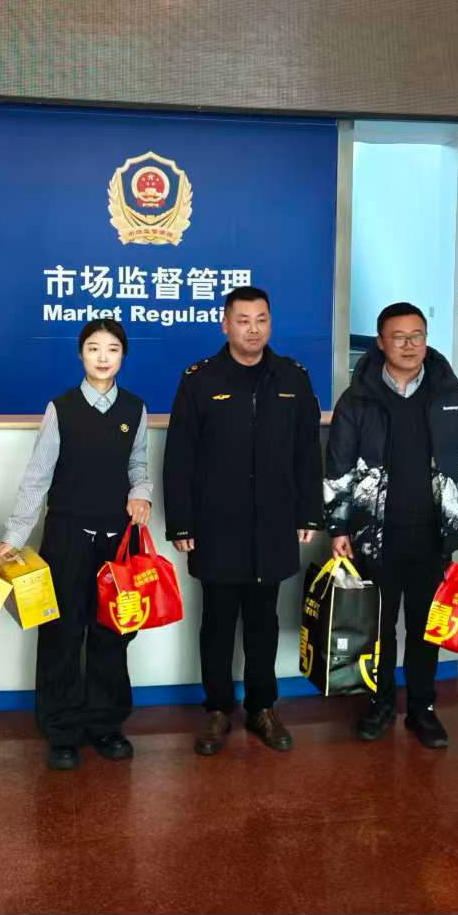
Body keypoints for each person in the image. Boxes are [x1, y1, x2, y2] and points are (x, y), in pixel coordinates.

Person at [324, 302, 458, 749]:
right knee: (379, 628)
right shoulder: (358, 399)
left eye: (417, 335)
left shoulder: (451, 394)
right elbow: (338, 467)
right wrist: (338, 527)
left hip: (433, 534)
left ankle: (422, 710)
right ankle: (379, 705)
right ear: (381, 343)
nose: (409, 345)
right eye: (398, 337)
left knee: (425, 627)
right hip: (373, 535)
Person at [165, 286, 323, 756]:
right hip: (217, 524)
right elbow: (180, 457)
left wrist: (309, 511)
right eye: (243, 320)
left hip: (274, 522)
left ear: (270, 323)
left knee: (262, 621)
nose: (253, 329)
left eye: (261, 319)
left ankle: (262, 707)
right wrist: (182, 524)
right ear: (225, 325)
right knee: (216, 621)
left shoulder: (292, 377)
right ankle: (217, 710)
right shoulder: (199, 379)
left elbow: (306, 452)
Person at [0, 318, 152, 771]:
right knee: (61, 635)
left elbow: (138, 464)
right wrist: (13, 537)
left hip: (117, 544)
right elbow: (37, 478)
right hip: (66, 538)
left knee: (112, 633)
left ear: (123, 356)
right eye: (94, 348)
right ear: (81, 354)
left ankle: (106, 725)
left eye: (112, 349)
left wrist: (141, 494)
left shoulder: (135, 408)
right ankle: (61, 731)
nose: (103, 357)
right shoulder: (60, 408)